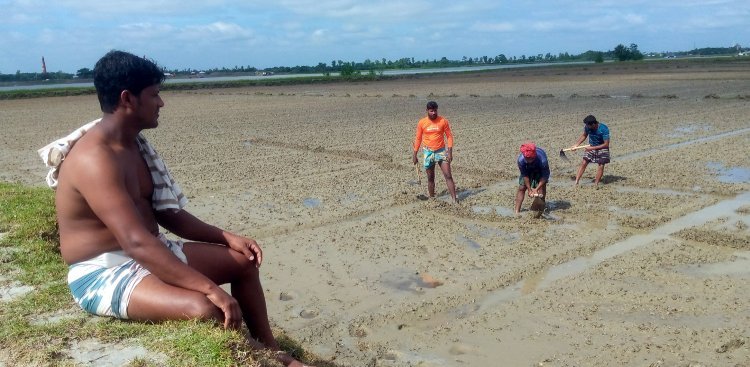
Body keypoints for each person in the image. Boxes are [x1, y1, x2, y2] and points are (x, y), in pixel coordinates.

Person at [45, 50, 309, 367]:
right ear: (128, 99)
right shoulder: (94, 159)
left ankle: (271, 348)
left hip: (150, 252)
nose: (161, 103)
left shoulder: (134, 145)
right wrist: (210, 289)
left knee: (244, 261)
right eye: (154, 94)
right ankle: (258, 357)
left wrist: (227, 237)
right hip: (105, 271)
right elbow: (135, 241)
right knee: (205, 308)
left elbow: (167, 214)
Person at [412, 101, 459, 203]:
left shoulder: (443, 121)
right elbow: (418, 138)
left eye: (435, 110)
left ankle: (454, 200)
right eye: (431, 111)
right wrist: (414, 154)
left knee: (448, 175)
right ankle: (432, 199)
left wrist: (450, 152)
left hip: (441, 151)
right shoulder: (422, 123)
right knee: (430, 178)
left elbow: (449, 136)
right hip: (428, 152)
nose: (434, 113)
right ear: (427, 111)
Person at [570, 114, 610, 186]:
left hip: (602, 147)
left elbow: (606, 144)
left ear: (594, 124)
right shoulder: (587, 127)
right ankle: (576, 182)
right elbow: (584, 135)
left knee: (601, 165)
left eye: (588, 125)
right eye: (587, 125)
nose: (587, 127)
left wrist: (592, 148)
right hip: (591, 146)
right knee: (584, 162)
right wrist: (576, 145)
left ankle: (596, 184)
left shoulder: (603, 129)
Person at [514, 142, 550, 215]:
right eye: (527, 158)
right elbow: (525, 175)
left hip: (539, 169)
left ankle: (540, 211)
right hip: (527, 169)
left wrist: (536, 189)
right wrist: (530, 190)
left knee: (541, 190)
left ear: (534, 156)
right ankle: (517, 211)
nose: (528, 160)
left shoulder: (543, 161)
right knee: (521, 188)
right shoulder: (521, 161)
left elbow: (544, 177)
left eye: (530, 158)